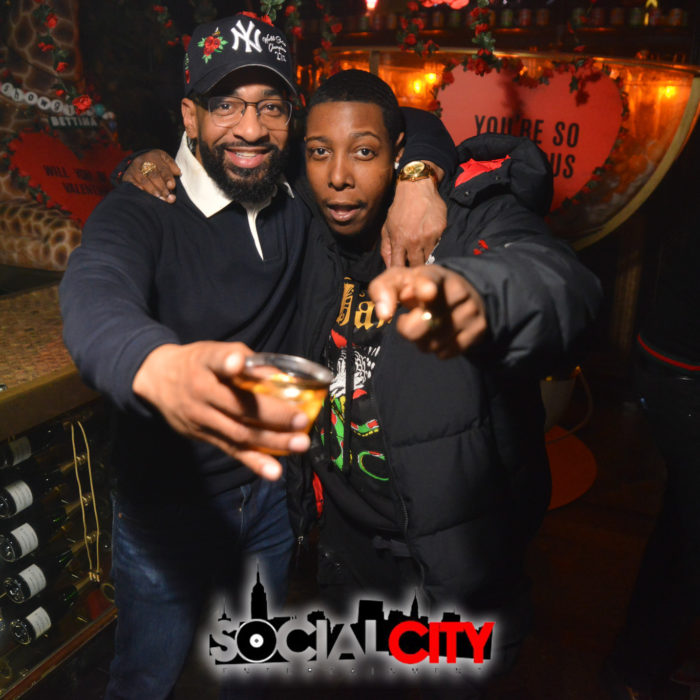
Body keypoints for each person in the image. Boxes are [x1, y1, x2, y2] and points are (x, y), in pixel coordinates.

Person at [60, 15, 454, 699]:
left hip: (272, 500)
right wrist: (155, 363)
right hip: (166, 505)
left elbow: (403, 120)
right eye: (226, 105)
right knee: (146, 678)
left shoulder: (299, 194)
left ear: (292, 120)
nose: (250, 129)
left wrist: (418, 174)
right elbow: (95, 288)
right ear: (190, 115)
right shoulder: (141, 210)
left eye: (270, 107)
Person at [286, 70, 602, 694]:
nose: (339, 175)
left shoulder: (464, 219)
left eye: (365, 153)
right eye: (320, 152)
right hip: (345, 546)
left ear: (398, 156)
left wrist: (478, 293)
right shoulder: (305, 225)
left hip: (448, 557)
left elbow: (565, 286)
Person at [602, 125, 700, 700]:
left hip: (674, 367)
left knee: (681, 528)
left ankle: (636, 667)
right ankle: (636, 670)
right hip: (682, 373)